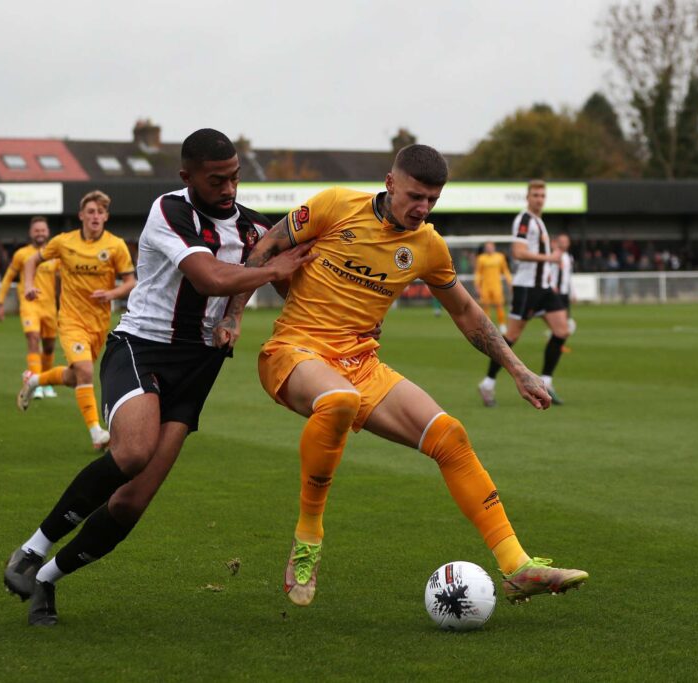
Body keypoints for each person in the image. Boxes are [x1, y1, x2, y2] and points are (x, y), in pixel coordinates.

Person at [230, 145, 587, 608]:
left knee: (450, 437)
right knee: (339, 400)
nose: (422, 209)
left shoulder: (427, 246)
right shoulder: (335, 204)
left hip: (361, 364)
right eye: (416, 196)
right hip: (293, 352)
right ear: (390, 182)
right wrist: (233, 315)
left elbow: (465, 311)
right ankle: (307, 540)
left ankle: (518, 567)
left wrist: (517, 369)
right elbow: (265, 247)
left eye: (432, 200)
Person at [2, 129, 317, 625]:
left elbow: (270, 270)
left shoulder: (254, 229)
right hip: (143, 348)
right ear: (187, 177)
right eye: (217, 180)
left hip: (200, 367)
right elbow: (210, 276)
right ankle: (29, 550)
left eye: (234, 178)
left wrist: (253, 304)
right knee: (131, 452)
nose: (229, 189)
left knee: (131, 503)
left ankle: (46, 580)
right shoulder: (169, 211)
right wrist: (273, 272)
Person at [16, 191, 135, 450]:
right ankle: (97, 434)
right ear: (81, 215)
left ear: (106, 217)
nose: (95, 216)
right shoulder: (63, 242)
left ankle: (35, 381)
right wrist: (27, 284)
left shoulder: (115, 246)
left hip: (98, 322)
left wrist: (111, 293)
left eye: (100, 212)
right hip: (70, 320)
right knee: (85, 371)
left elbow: (130, 282)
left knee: (75, 377)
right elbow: (32, 260)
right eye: (90, 212)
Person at [477, 180, 569, 407]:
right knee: (510, 338)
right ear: (528, 198)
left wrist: (549, 277)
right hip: (527, 289)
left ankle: (546, 382)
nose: (539, 199)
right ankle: (487, 383)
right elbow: (518, 252)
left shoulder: (538, 221)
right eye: (535, 195)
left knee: (562, 330)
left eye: (542, 195)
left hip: (544, 289)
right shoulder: (525, 220)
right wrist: (550, 258)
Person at [0, 217, 60, 400]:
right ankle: (36, 383)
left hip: (49, 307)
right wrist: (0, 303)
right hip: (29, 305)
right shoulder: (21, 254)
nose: (40, 233)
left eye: (43, 230)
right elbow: (8, 277)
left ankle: (46, 382)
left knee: (49, 347)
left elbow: (63, 280)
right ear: (31, 233)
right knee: (33, 339)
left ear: (47, 232)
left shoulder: (54, 255)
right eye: (36, 230)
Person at [473, 241, 512, 334]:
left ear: (494, 247)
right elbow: (478, 272)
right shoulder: (481, 258)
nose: (489, 248)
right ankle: (488, 326)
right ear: (485, 248)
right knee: (486, 306)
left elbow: (505, 270)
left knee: (499, 305)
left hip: (496, 286)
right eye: (487, 247)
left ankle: (502, 325)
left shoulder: (500, 257)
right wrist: (477, 285)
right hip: (485, 286)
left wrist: (510, 282)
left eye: (490, 247)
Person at [548, 233, 578, 346]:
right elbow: (548, 272)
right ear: (557, 242)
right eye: (561, 241)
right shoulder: (553, 255)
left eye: (566, 241)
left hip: (564, 292)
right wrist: (551, 286)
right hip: (555, 292)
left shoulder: (569, 257)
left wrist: (573, 293)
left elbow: (568, 277)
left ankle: (557, 343)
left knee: (566, 323)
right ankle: (556, 343)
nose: (563, 243)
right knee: (562, 322)